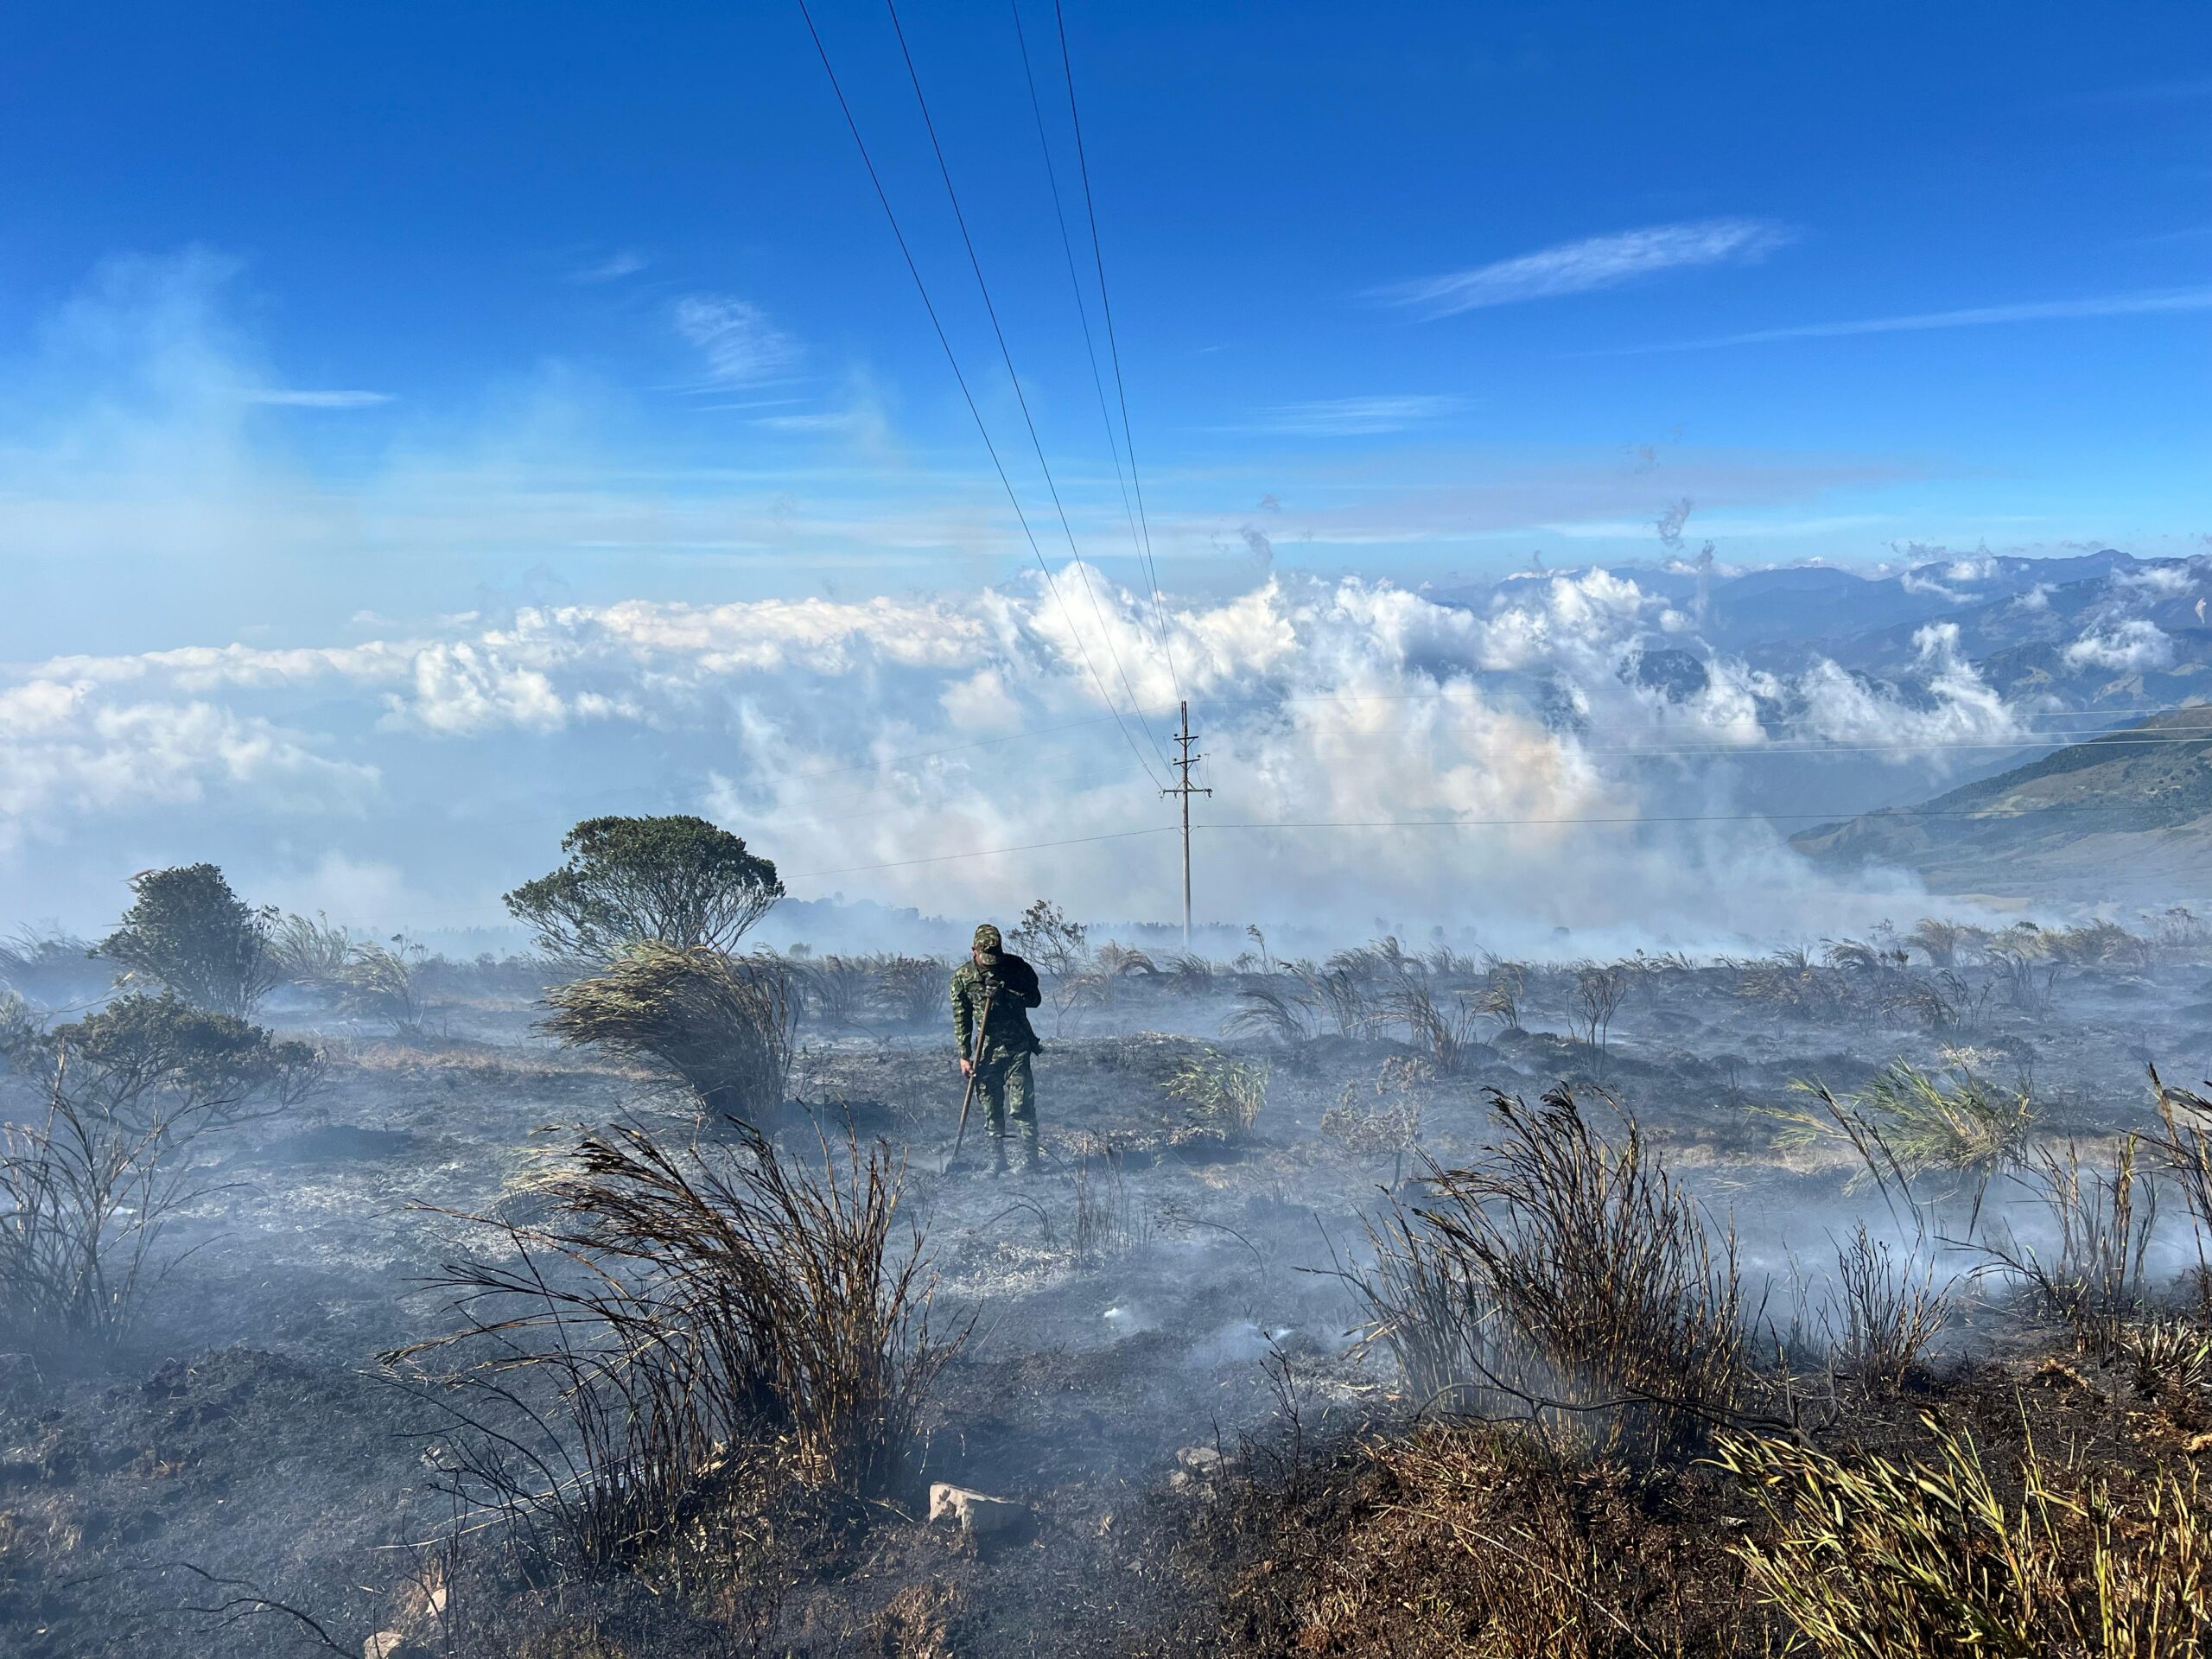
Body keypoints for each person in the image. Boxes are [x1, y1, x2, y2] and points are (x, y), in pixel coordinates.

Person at [950, 922, 1045, 1174]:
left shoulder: (1016, 968)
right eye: (986, 957)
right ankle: (997, 1161)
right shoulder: (962, 978)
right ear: (974, 950)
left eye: (995, 957)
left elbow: (1034, 999)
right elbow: (962, 1018)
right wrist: (964, 1056)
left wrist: (1007, 995)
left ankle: (1030, 1162)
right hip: (986, 1052)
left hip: (1016, 1048)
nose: (992, 962)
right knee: (991, 1107)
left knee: (1021, 1105)